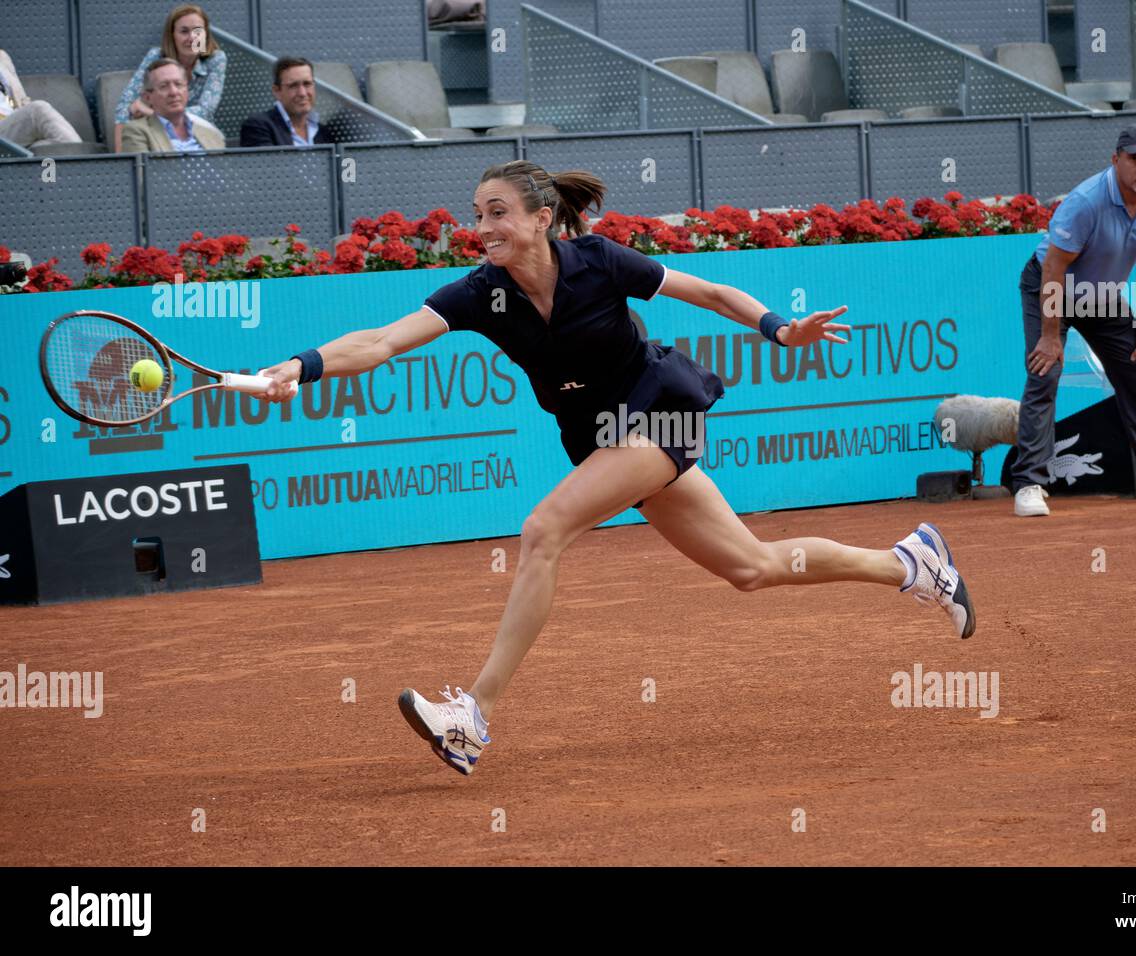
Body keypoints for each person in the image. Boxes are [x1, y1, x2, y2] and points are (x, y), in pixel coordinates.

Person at [258, 160, 977, 776]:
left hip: (656, 411)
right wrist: (300, 365)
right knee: (753, 568)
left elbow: (715, 294)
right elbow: (382, 342)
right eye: (478, 215)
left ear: (542, 218)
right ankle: (913, 565)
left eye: (499, 212)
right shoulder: (481, 294)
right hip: (599, 439)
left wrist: (781, 329)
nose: (483, 227)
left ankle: (473, 714)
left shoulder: (599, 261)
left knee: (543, 529)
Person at [1011, 125, 1136, 517]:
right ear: (1116, 159)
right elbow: (1053, 267)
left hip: (1101, 295)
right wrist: (1051, 336)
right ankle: (1030, 484)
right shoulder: (1086, 202)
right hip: (1052, 285)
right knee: (1045, 369)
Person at [114, 4, 226, 151]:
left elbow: (205, 110)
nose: (191, 38)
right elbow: (125, 105)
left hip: (199, 133)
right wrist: (121, 159)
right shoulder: (156, 56)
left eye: (197, 31)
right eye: (184, 31)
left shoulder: (216, 59)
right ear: (172, 35)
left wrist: (153, 112)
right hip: (157, 135)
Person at [119, 59, 224, 153]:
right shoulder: (136, 132)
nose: (174, 92)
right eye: (163, 86)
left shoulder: (210, 133)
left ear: (187, 91)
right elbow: (142, 174)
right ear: (148, 97)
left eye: (178, 84)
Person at [239, 57, 335, 148]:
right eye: (293, 86)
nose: (302, 93)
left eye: (307, 84)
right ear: (277, 91)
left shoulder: (324, 131)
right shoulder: (258, 127)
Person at [0, 48, 82, 149]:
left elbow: (21, 99)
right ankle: (78, 155)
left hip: (11, 126)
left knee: (47, 145)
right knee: (37, 110)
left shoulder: (2, 57)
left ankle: (28, 152)